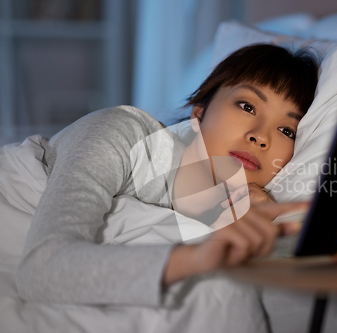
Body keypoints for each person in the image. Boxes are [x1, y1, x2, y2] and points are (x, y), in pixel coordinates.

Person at [15, 44, 319, 307]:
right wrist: (197, 259)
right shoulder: (122, 136)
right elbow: (41, 269)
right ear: (199, 113)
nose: (260, 137)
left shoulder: (245, 211)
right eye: (247, 105)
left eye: (286, 130)